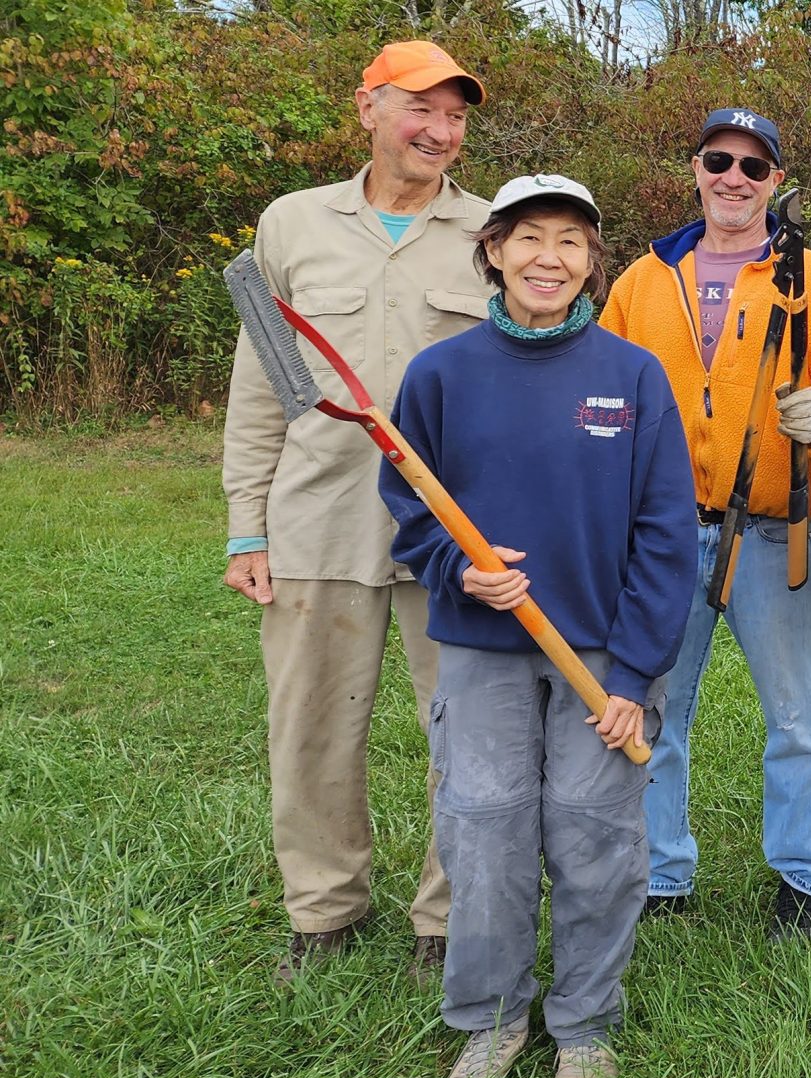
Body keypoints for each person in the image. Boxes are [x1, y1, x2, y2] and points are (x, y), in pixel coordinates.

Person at [381, 174, 698, 1078]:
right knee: (483, 831)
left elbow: (666, 530)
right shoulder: (440, 375)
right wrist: (459, 570)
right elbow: (410, 506)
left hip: (600, 653)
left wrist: (637, 671)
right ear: (492, 251)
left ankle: (585, 1023)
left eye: (569, 240)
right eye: (528, 238)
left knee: (596, 834)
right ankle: (490, 1018)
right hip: (481, 647)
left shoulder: (631, 375)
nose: (547, 258)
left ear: (592, 258)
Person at [222, 40, 493, 983]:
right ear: (368, 108)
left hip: (448, 532)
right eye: (422, 108)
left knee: (462, 726)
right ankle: (323, 909)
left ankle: (447, 920)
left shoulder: (495, 233)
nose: (441, 130)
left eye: (456, 116)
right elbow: (261, 384)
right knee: (311, 726)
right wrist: (247, 523)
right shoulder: (291, 226)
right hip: (318, 519)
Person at [601, 108, 811, 939]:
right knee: (651, 705)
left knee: (798, 714)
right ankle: (660, 872)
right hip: (666, 531)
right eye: (721, 160)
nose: (735, 178)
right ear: (697, 168)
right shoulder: (643, 280)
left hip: (778, 530)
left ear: (776, 181)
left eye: (755, 166)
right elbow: (604, 388)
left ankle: (805, 878)